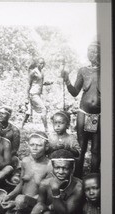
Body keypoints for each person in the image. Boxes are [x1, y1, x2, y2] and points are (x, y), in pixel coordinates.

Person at [61, 41, 101, 178]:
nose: (92, 54)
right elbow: (74, 92)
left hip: (99, 115)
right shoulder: (83, 71)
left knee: (96, 149)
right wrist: (67, 80)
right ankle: (77, 176)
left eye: (95, 51)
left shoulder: (106, 70)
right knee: (81, 147)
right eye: (89, 51)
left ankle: (94, 177)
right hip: (84, 113)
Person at [0, 132, 52, 214]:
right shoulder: (25, 161)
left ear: (46, 147)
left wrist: (17, 202)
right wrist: (9, 196)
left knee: (20, 200)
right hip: (22, 201)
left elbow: (48, 196)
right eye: (32, 145)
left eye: (39, 145)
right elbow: (21, 184)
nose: (34, 148)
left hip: (38, 204)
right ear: (28, 145)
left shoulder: (49, 166)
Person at [31, 149, 83, 214]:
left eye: (65, 168)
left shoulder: (78, 187)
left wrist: (55, 190)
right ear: (53, 167)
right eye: (57, 168)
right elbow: (40, 206)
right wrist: (49, 207)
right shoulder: (45, 184)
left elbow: (65, 212)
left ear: (71, 169)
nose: (60, 172)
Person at [21, 58, 53, 132]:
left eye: (42, 63)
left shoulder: (41, 72)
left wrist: (47, 83)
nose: (41, 65)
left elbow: (39, 83)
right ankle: (46, 129)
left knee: (28, 112)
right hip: (33, 93)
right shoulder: (33, 72)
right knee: (43, 109)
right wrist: (26, 97)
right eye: (39, 63)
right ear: (37, 63)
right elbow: (29, 84)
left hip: (37, 94)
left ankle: (22, 125)